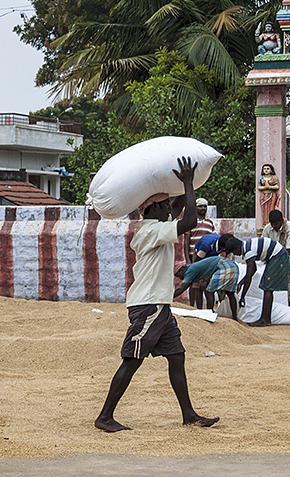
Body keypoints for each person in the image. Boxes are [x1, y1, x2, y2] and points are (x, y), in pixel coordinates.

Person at [94, 157, 219, 433]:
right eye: (163, 206)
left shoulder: (156, 225)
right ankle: (104, 417)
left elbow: (176, 209)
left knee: (177, 357)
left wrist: (178, 182)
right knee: (133, 359)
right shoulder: (151, 230)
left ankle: (189, 414)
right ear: (152, 209)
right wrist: (187, 182)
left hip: (159, 306)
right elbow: (188, 219)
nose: (168, 209)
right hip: (148, 305)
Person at [174, 237, 242, 321]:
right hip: (233, 266)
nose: (179, 277)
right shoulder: (195, 269)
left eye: (178, 274)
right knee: (230, 293)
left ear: (182, 269)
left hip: (224, 266)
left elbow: (182, 288)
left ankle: (209, 315)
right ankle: (234, 317)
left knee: (209, 291)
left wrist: (169, 298)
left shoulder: (189, 270)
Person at [236, 236, 289, 327]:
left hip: (278, 256)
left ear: (237, 248)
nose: (236, 255)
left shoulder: (249, 251)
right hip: (276, 255)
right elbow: (253, 270)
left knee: (267, 287)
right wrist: (241, 282)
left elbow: (249, 276)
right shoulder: (247, 246)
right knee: (267, 287)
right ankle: (267, 319)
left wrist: (243, 296)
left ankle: (264, 319)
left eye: (234, 252)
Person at [262, 209, 290, 314]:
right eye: (272, 224)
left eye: (276, 224)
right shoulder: (268, 229)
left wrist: (275, 259)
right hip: (275, 257)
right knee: (272, 282)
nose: (274, 226)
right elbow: (265, 244)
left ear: (281, 221)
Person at [186, 198, 216, 307]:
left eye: (204, 206)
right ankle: (191, 306)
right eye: (200, 206)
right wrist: (188, 259)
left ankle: (203, 309)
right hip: (193, 256)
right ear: (196, 207)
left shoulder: (210, 223)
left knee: (204, 284)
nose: (203, 208)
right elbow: (186, 240)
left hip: (206, 257)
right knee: (193, 283)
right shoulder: (191, 222)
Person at [258, 164, 280, 228]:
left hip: (271, 195)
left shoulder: (274, 177)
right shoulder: (261, 177)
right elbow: (259, 187)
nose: (266, 170)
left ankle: (270, 224)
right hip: (263, 196)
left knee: (271, 209)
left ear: (271, 170)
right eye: (264, 169)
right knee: (264, 210)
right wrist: (265, 187)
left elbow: (277, 186)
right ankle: (264, 224)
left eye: (268, 169)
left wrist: (269, 187)